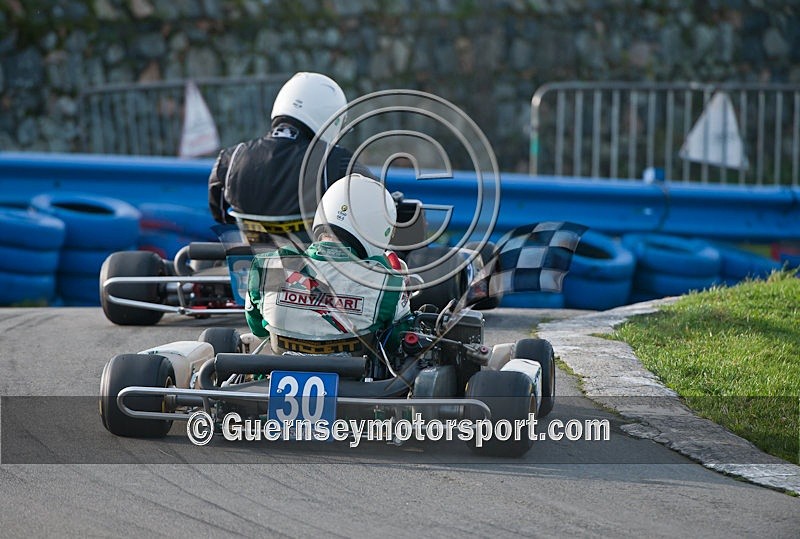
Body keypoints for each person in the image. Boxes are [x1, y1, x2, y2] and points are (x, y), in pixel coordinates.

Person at [244, 174, 411, 356]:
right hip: (355, 371)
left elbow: (258, 330)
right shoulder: (388, 282)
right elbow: (395, 341)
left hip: (282, 363)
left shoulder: (267, 266)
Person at [207, 72, 375, 244]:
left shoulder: (230, 158)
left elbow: (221, 216)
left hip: (249, 258)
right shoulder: (336, 162)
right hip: (313, 260)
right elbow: (377, 209)